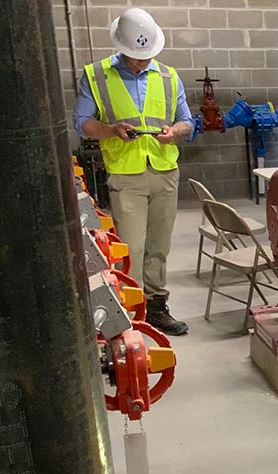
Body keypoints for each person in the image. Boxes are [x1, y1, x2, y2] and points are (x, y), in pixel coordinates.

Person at [74, 8, 192, 336]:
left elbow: (188, 121)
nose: (141, 62)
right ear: (121, 46)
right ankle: (132, 311)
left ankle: (156, 306)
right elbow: (82, 124)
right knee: (132, 247)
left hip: (165, 170)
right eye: (135, 57)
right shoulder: (96, 76)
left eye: (146, 56)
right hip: (126, 175)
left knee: (159, 246)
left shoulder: (168, 76)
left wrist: (175, 131)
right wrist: (111, 130)